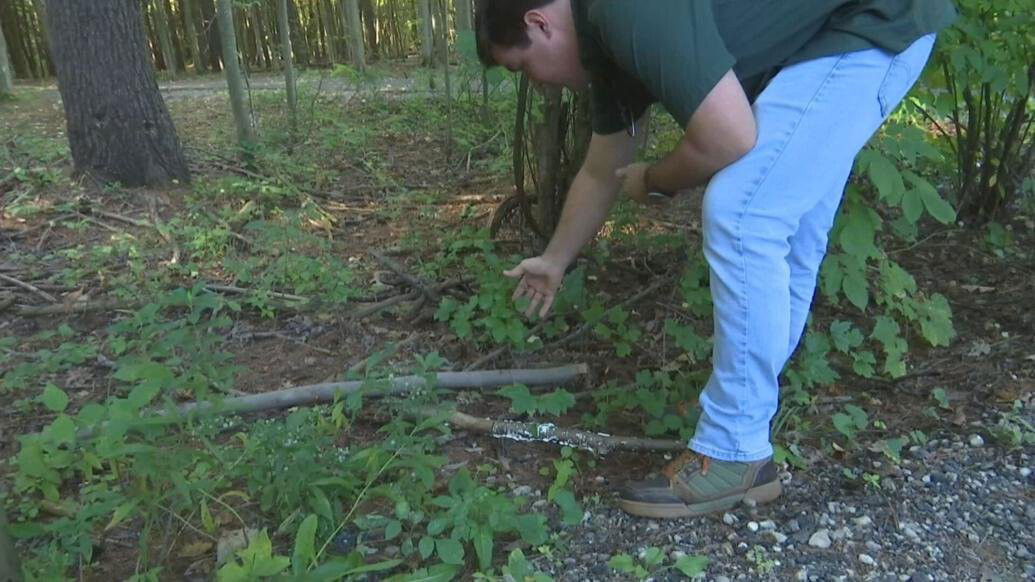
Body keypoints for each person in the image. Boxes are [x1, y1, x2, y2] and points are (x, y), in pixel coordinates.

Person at [475, 0, 958, 519]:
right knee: (784, 234)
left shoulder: (621, 10)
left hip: (874, 19)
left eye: (522, 68)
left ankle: (734, 447)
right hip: (832, 38)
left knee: (743, 214)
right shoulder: (606, 51)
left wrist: (656, 180)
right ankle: (743, 422)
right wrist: (554, 259)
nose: (539, 84)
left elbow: (728, 135)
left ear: (539, 23)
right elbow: (600, 171)